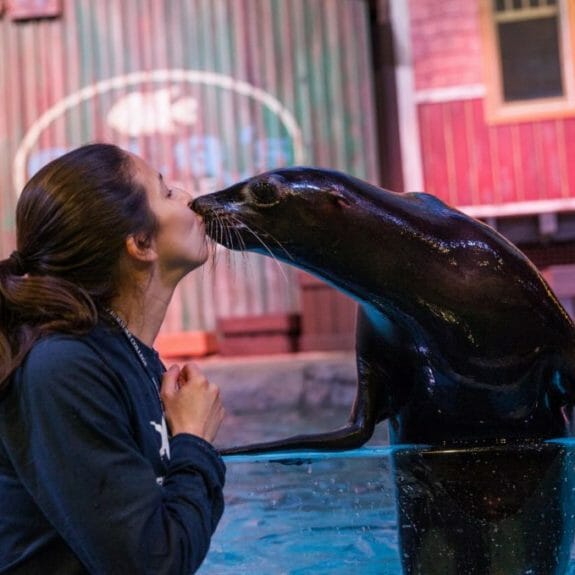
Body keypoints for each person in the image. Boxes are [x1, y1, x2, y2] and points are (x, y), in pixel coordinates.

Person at [0, 143, 226, 574]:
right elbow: (155, 564)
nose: (187, 197)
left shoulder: (131, 359)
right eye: (165, 192)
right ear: (141, 243)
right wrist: (193, 441)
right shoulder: (62, 368)